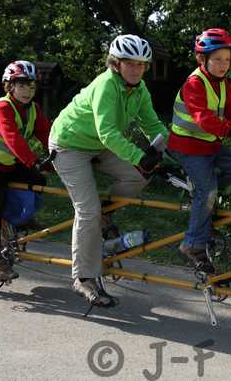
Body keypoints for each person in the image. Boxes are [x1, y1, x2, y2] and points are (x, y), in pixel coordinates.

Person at [49, 34, 168, 307]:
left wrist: (169, 153)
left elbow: (153, 126)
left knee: (139, 176)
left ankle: (105, 212)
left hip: (98, 145)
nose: (136, 70)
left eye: (141, 65)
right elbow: (108, 133)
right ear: (116, 64)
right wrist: (139, 156)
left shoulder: (139, 89)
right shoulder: (106, 85)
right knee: (87, 211)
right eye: (130, 64)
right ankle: (83, 278)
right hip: (69, 145)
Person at [167, 28, 231, 274]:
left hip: (209, 145)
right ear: (202, 59)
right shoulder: (194, 83)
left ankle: (202, 197)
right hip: (188, 147)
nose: (224, 65)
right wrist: (230, 130)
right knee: (208, 191)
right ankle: (192, 245)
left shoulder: (223, 84)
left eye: (227, 59)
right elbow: (202, 117)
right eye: (217, 59)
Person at [0, 60, 52, 281]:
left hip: (10, 162)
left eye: (31, 86)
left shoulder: (34, 109)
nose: (28, 91)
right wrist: (32, 160)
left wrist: (58, 154)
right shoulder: (4, 107)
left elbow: (47, 134)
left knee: (38, 181)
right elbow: (12, 139)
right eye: (22, 85)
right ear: (10, 86)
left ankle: (19, 218)